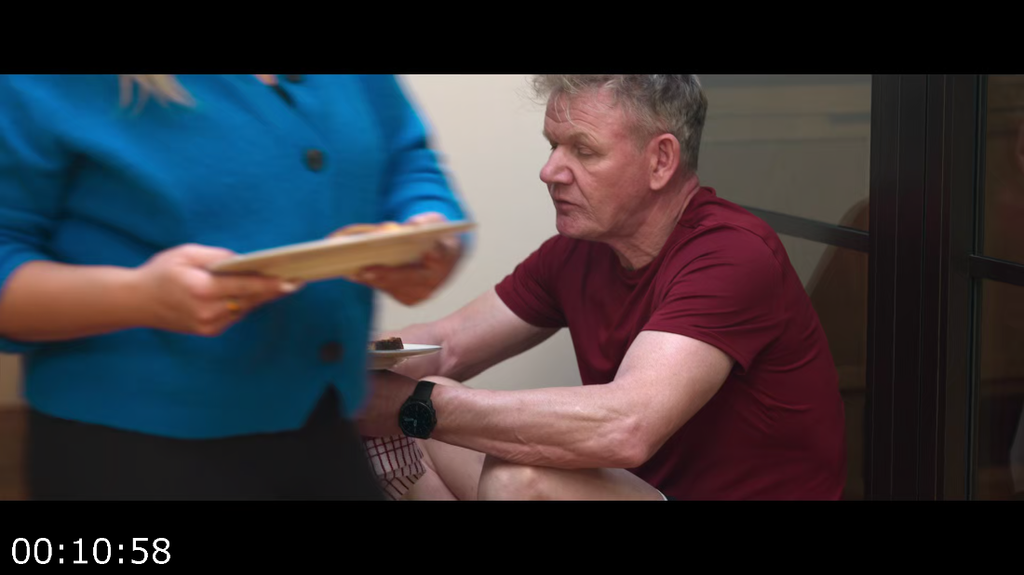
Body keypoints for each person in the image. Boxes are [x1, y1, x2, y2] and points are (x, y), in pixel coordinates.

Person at [353, 74, 847, 500]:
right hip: (647, 490)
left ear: (661, 160)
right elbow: (448, 346)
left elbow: (627, 426)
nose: (550, 172)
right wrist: (331, 364)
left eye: (583, 150)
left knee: (517, 477)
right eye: (553, 146)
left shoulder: (732, 254)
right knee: (416, 395)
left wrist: (413, 406)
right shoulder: (582, 249)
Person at [0, 74, 469, 500]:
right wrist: (140, 298)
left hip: (328, 430)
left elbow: (409, 163)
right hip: (129, 452)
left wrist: (429, 234)